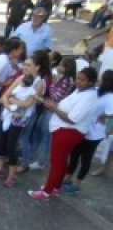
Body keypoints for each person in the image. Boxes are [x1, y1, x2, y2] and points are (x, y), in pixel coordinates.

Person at [29, 66, 100, 200]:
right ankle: (56, 187)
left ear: (91, 82)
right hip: (64, 130)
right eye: (77, 78)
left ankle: (46, 192)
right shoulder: (80, 91)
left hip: (68, 131)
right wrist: (54, 105)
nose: (78, 81)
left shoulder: (89, 97)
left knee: (56, 162)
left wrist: (53, 108)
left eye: (82, 80)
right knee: (61, 161)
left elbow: (72, 118)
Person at [0, 60, 41, 188]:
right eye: (25, 64)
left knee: (11, 145)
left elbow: (28, 104)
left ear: (37, 67)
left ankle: (12, 175)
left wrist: (12, 101)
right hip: (8, 114)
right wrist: (9, 105)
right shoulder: (20, 78)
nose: (25, 67)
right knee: (1, 141)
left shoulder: (38, 83)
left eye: (29, 65)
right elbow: (5, 95)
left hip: (19, 119)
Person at [62, 69, 113, 191]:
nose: (101, 81)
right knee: (74, 154)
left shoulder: (110, 97)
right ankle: (67, 177)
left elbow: (111, 113)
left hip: (95, 133)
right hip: (83, 128)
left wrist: (104, 116)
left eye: (103, 79)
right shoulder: (96, 91)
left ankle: (77, 184)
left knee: (86, 158)